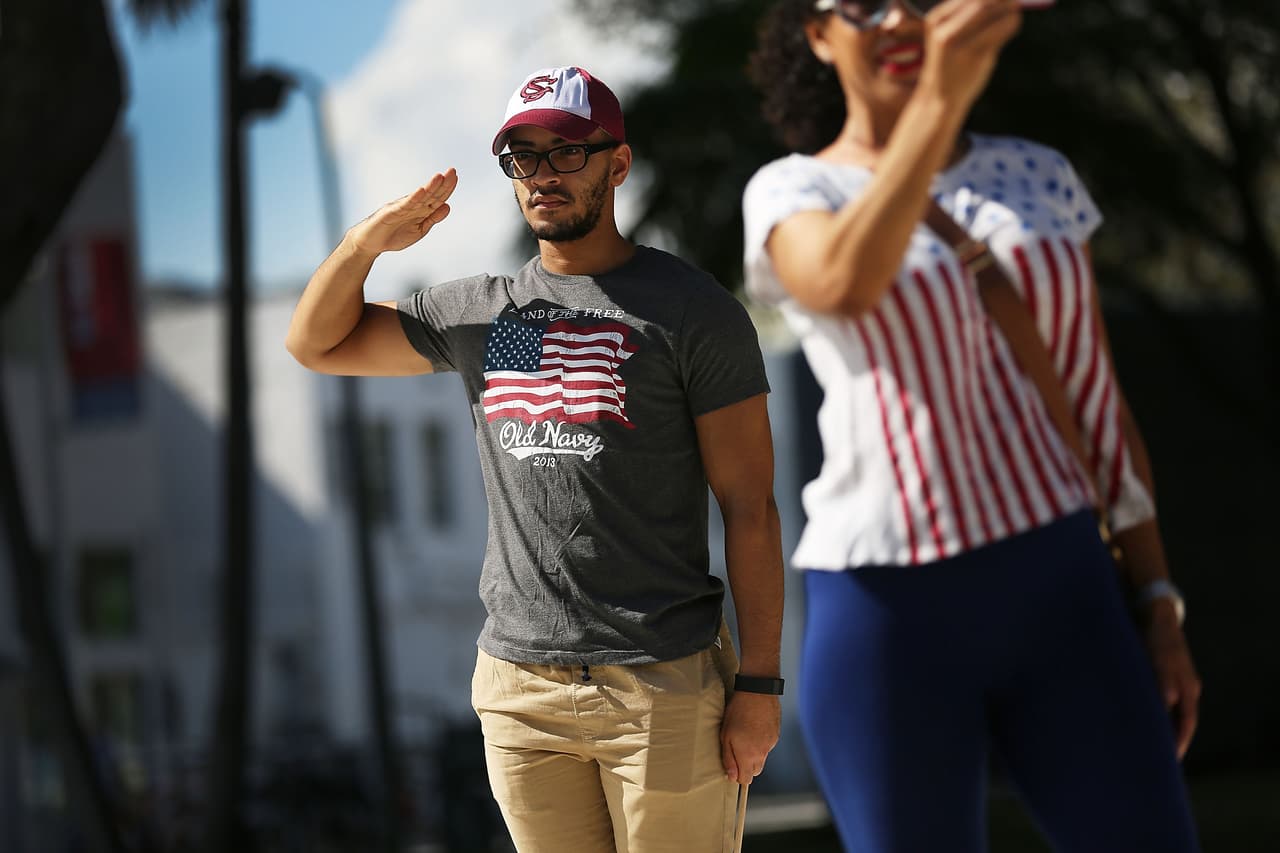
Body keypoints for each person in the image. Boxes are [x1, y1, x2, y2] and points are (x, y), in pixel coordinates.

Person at [286, 65, 785, 852]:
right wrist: (363, 245)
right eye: (524, 156)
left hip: (661, 682)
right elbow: (315, 344)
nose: (543, 173)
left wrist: (759, 685)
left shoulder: (693, 311)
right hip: (519, 691)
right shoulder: (481, 314)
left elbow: (751, 506)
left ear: (618, 164)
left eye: (567, 152)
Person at [741, 1, 1201, 850]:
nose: (897, 19)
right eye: (864, 5)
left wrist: (1157, 596)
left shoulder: (1036, 172)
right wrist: (936, 106)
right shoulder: (792, 191)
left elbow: (1094, 395)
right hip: (886, 611)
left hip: (1062, 580)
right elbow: (842, 285)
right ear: (818, 34)